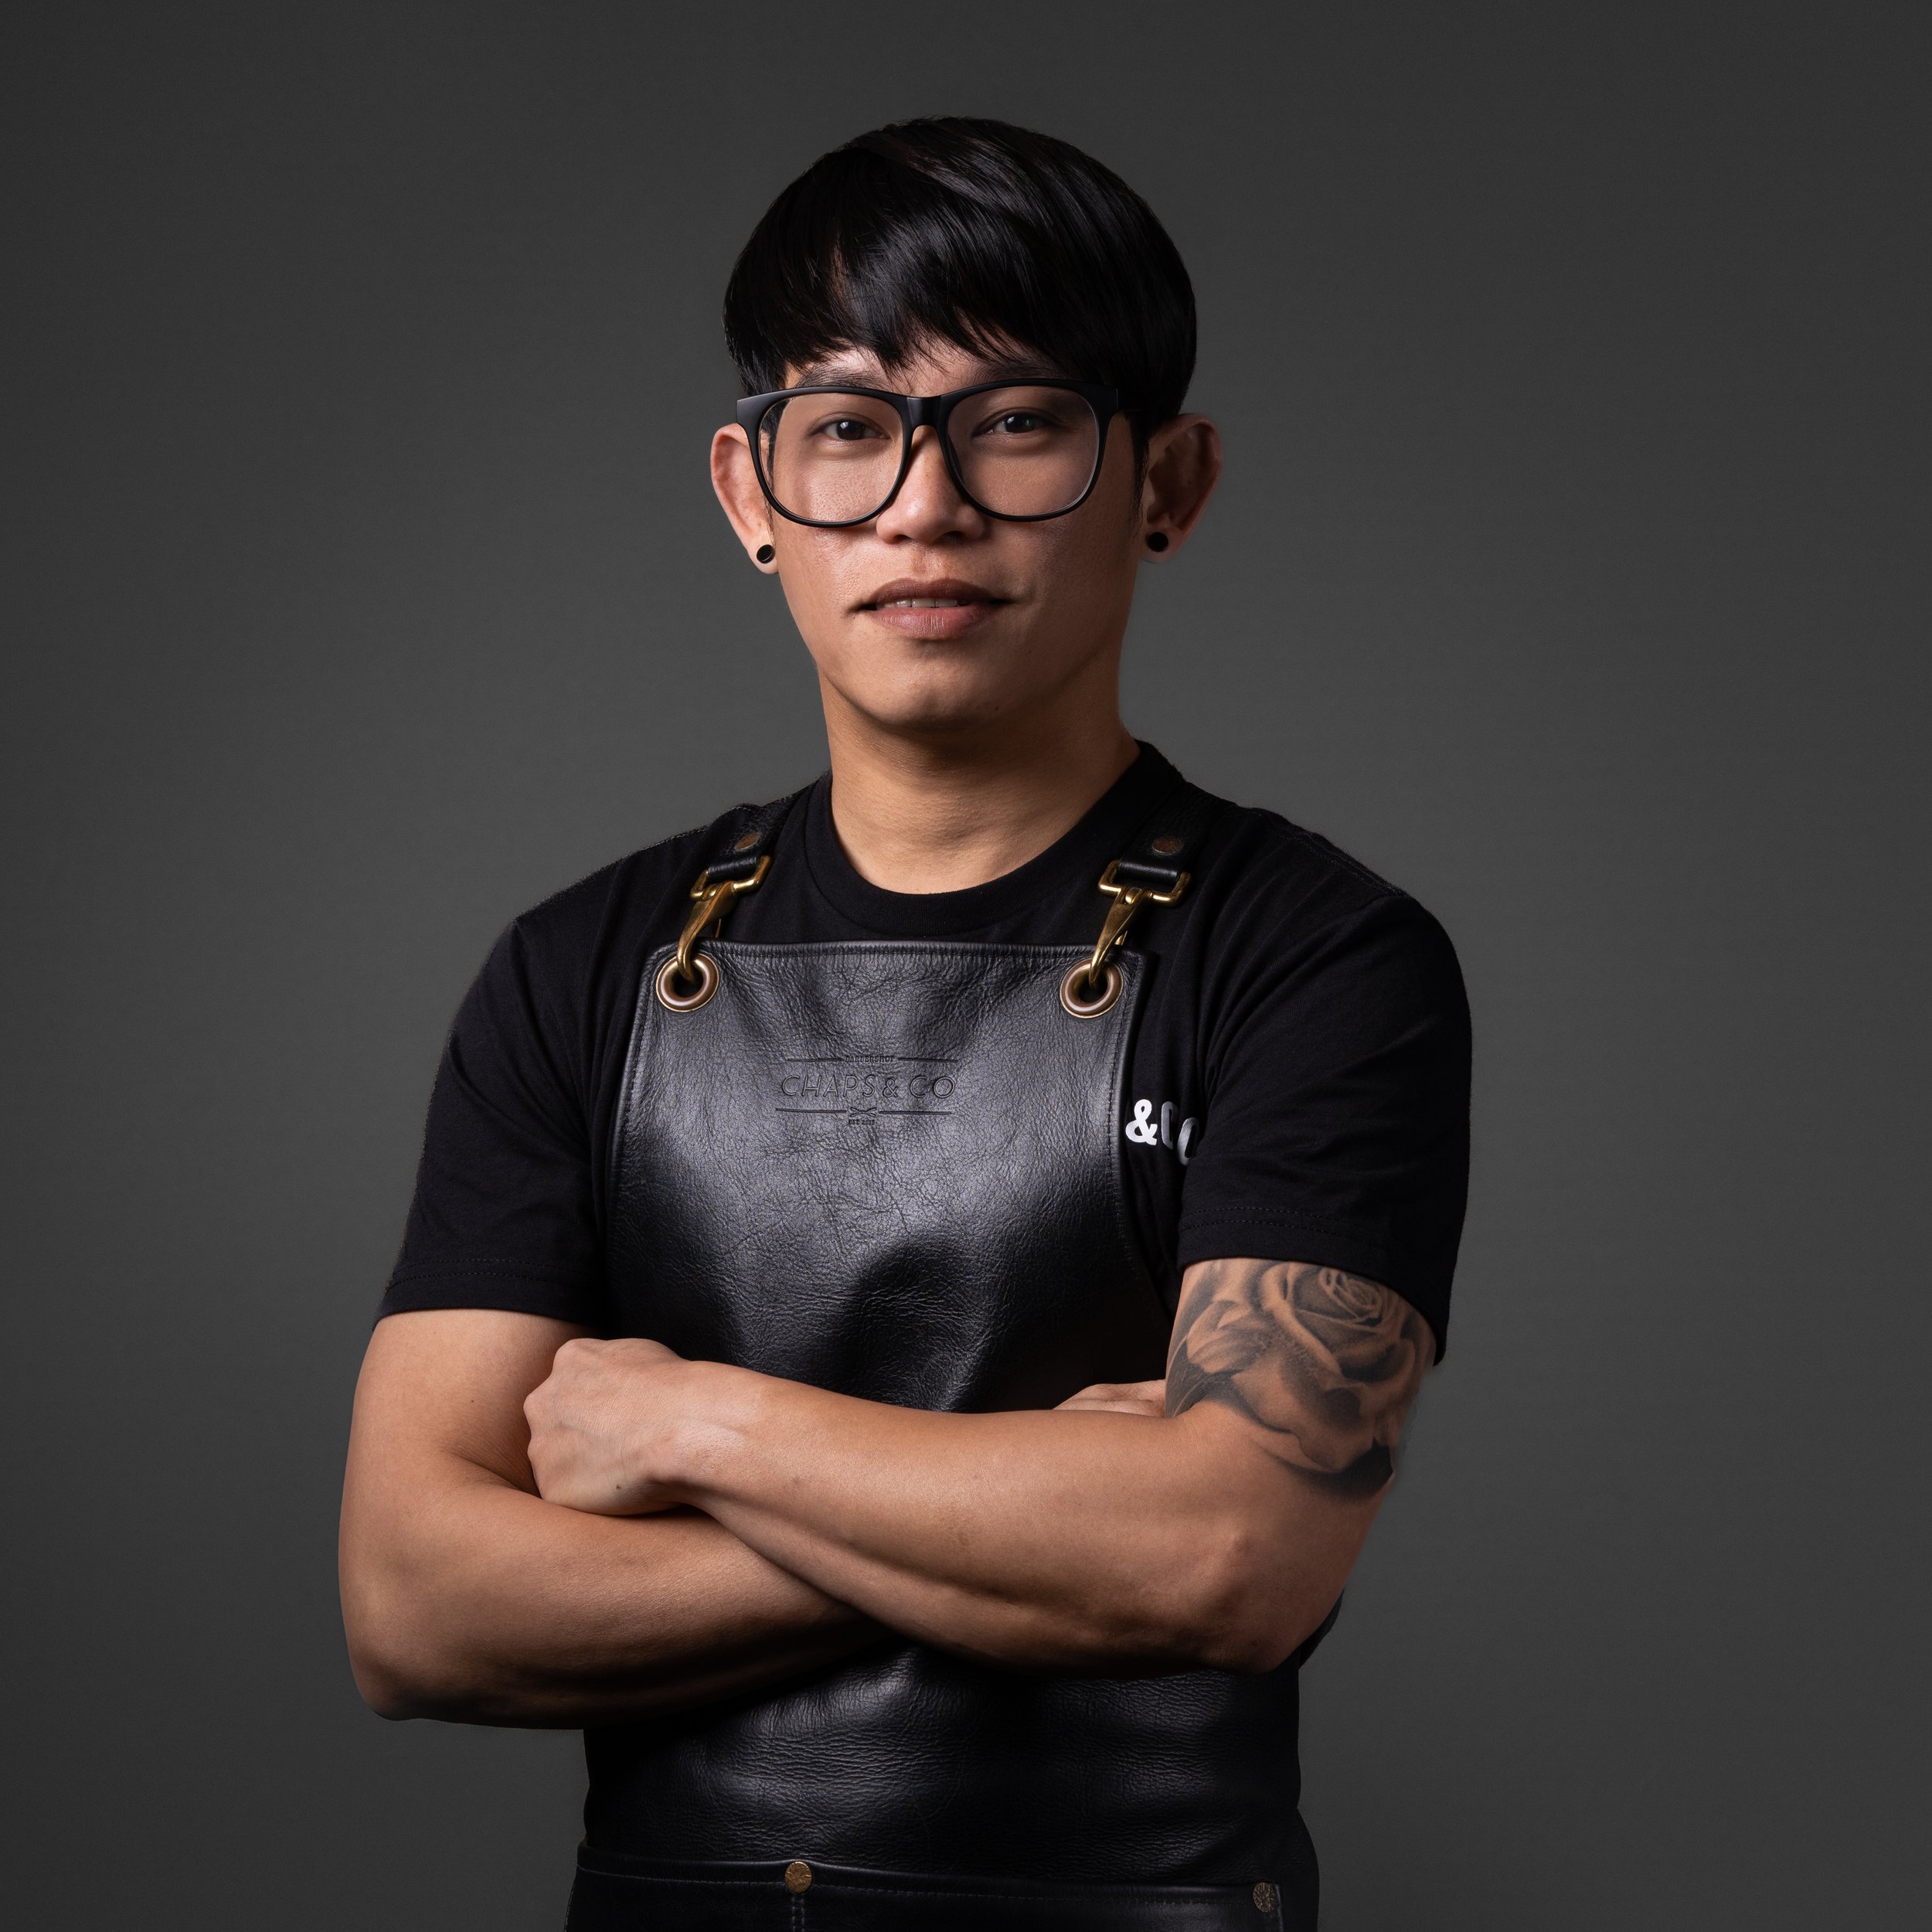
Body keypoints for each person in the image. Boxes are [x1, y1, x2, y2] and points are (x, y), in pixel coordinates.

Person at [339, 117, 1471, 1930]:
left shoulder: (1317, 957)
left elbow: (1227, 1555)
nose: (922, 505)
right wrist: (1046, 1514)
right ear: (750, 491)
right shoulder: (579, 966)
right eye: (849, 427)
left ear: (1167, 480)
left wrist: (694, 1425)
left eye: (1015, 422)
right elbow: (414, 1605)